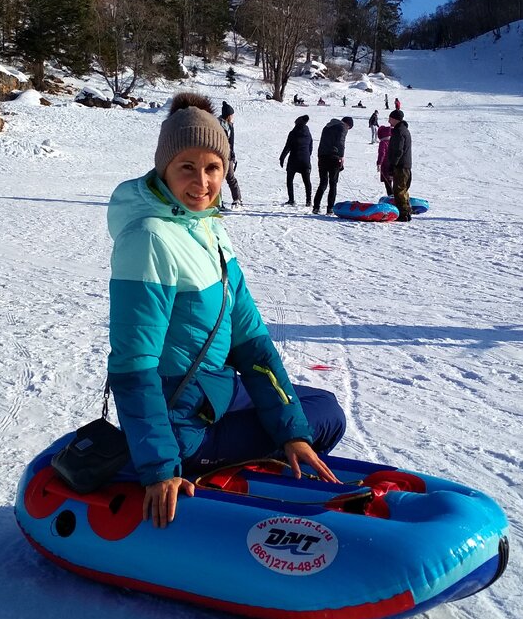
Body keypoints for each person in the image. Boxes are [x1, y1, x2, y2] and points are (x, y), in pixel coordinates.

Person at [107, 92, 346, 528]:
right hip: (181, 422)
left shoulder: (210, 229)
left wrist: (291, 432)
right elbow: (133, 366)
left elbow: (252, 343)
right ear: (164, 168)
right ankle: (204, 475)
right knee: (323, 420)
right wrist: (160, 467)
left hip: (213, 391)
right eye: (187, 167)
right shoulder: (149, 238)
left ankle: (258, 458)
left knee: (321, 409)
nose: (202, 182)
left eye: (213, 167)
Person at [312, 116, 353, 215]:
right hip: (334, 157)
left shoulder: (327, 126)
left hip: (322, 156)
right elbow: (340, 142)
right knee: (333, 184)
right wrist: (341, 156)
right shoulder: (342, 127)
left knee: (323, 183)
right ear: (347, 124)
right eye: (349, 128)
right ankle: (330, 208)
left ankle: (316, 207)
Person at [279, 114, 312, 206]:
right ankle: (308, 201)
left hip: (294, 159)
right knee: (307, 181)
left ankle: (291, 200)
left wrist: (282, 158)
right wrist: (308, 156)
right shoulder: (308, 133)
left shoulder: (293, 133)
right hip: (305, 160)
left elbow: (287, 147)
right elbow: (310, 147)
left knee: (289, 180)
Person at [387, 110, 412, 221]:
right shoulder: (404, 130)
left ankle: (403, 214)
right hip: (405, 165)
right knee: (403, 189)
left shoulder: (399, 131)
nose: (389, 121)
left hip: (401, 165)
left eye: (390, 118)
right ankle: (406, 212)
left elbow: (398, 150)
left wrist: (393, 164)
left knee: (399, 190)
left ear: (395, 119)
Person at [218, 101, 242, 208]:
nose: (233, 117)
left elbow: (231, 143)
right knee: (217, 179)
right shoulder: (217, 125)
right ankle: (217, 202)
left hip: (228, 156)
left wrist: (232, 154)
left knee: (231, 177)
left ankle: (237, 199)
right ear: (228, 115)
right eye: (231, 115)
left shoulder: (230, 126)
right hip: (219, 155)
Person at [376, 125, 393, 195]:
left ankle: (392, 198)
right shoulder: (393, 141)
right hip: (393, 165)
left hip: (386, 166)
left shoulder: (383, 143)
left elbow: (382, 153)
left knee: (388, 184)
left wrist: (379, 163)